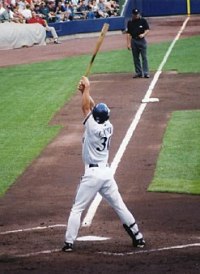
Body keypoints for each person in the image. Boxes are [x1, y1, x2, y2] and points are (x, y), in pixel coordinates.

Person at [62, 76, 145, 252]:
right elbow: (91, 107)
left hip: (92, 175)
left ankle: (69, 243)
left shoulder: (92, 127)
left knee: (77, 208)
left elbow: (85, 107)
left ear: (95, 117)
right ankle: (138, 237)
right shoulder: (108, 125)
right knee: (119, 205)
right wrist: (85, 92)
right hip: (106, 174)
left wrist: (87, 88)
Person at [127, 8, 150, 78]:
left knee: (144, 57)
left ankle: (146, 72)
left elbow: (147, 30)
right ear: (132, 15)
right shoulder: (130, 22)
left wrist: (143, 34)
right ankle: (138, 72)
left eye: (137, 14)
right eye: (135, 14)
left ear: (139, 14)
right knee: (135, 58)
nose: (136, 15)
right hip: (134, 41)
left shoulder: (143, 21)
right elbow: (129, 34)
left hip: (142, 41)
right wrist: (128, 44)